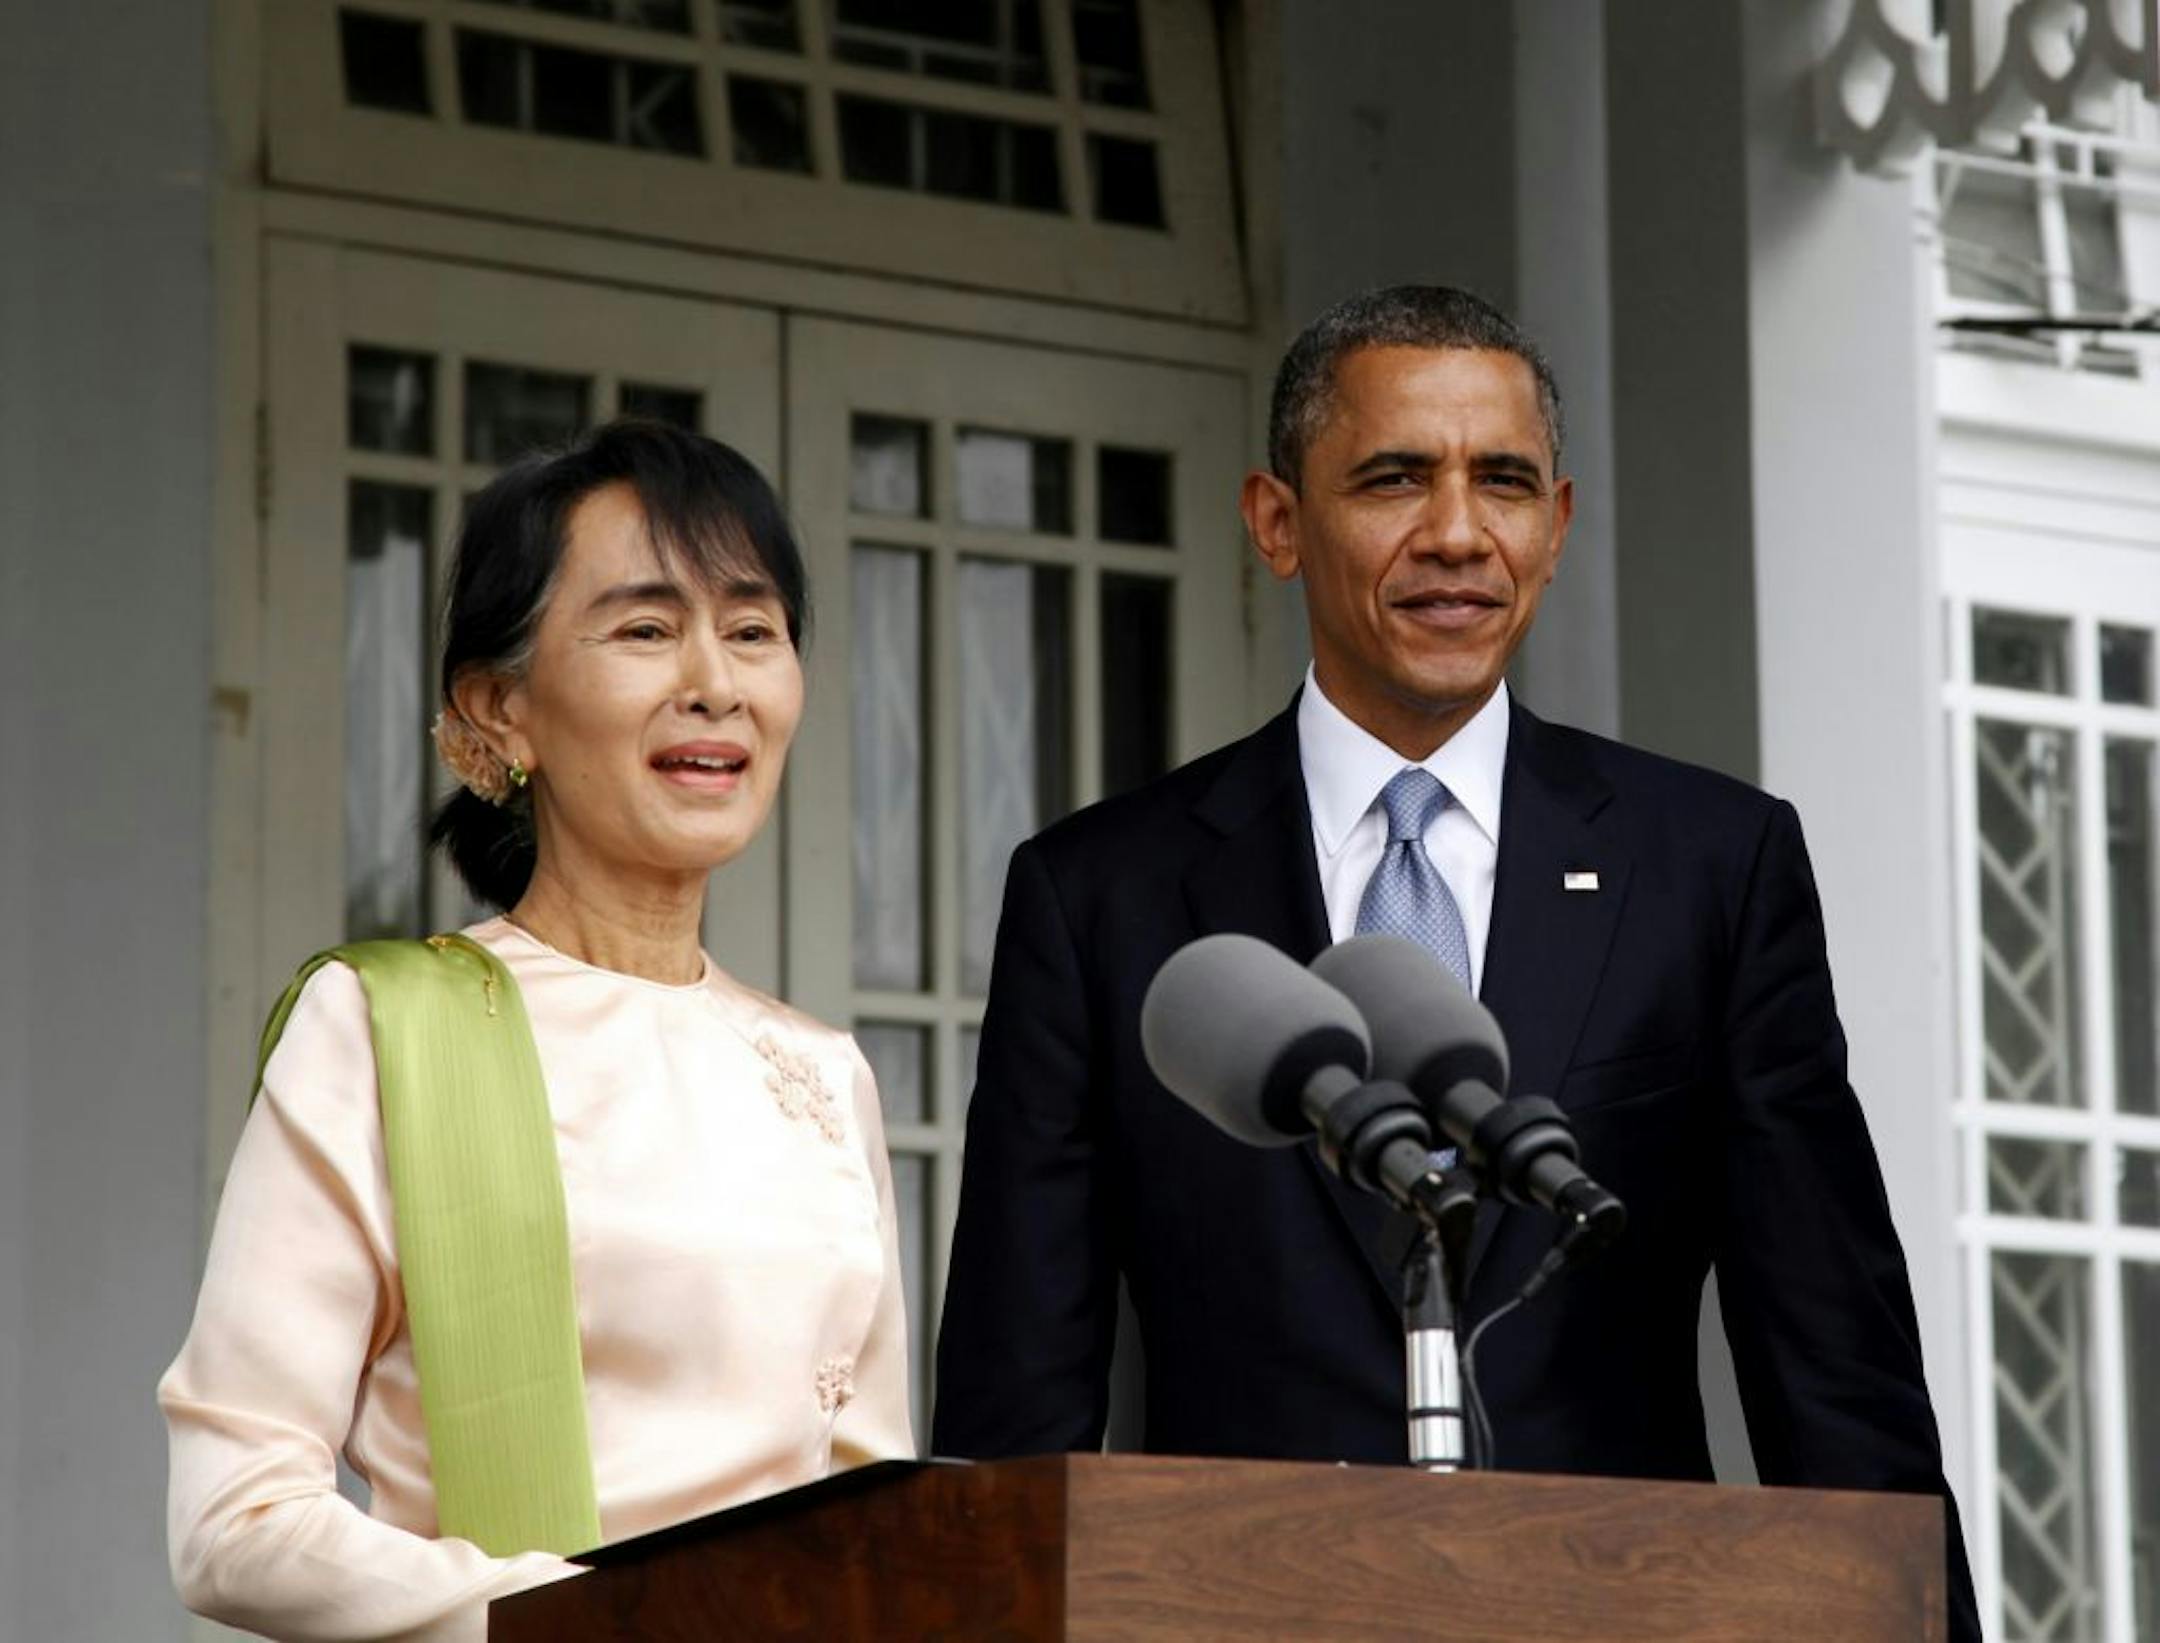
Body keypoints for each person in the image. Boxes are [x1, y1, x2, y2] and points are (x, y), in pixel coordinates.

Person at [931, 285, 1979, 1639]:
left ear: (1559, 525)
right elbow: (1021, 1385)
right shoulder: (1103, 896)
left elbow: (1832, 1351)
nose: (1457, 534)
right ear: (1275, 522)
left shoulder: (1711, 865)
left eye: (1504, 482)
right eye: (1392, 478)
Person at [160, 421, 912, 1642]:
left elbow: (875, 1522)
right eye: (647, 627)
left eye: (754, 628)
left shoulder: (825, 1074)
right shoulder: (385, 1025)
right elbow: (235, 1516)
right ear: (498, 709)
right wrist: (611, 1620)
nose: (715, 680)